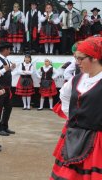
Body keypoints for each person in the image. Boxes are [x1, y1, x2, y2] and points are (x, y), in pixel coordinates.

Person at [50, 37, 102, 180]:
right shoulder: (77, 79)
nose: (77, 62)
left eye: (81, 58)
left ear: (95, 58)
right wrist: (72, 115)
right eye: (76, 58)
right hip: (73, 133)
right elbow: (64, 96)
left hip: (97, 139)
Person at [0, 41, 16, 136]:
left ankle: (4, 126)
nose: (10, 51)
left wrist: (11, 67)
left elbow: (8, 70)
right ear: (5, 50)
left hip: (7, 88)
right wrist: (4, 69)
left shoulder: (6, 59)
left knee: (8, 107)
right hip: (0, 88)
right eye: (9, 49)